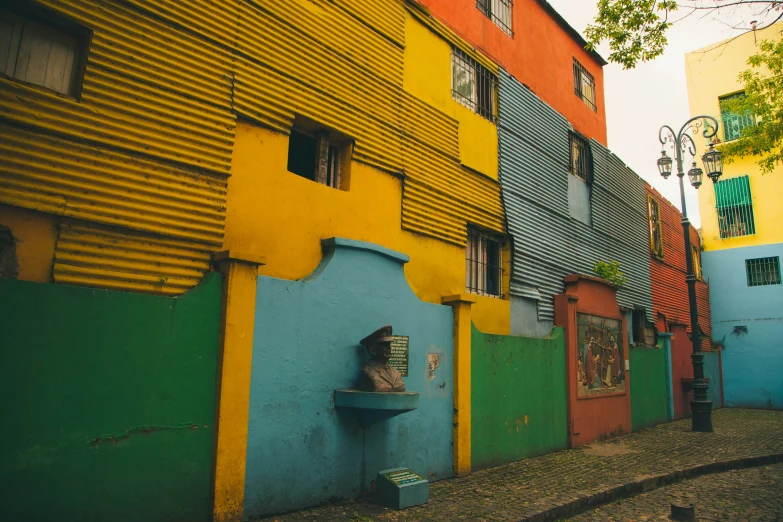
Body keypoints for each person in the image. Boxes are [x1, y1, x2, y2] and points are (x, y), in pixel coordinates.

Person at [360, 325, 405, 392]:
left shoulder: (396, 373)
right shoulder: (368, 372)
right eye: (384, 344)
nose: (389, 348)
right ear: (372, 350)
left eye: (389, 344)